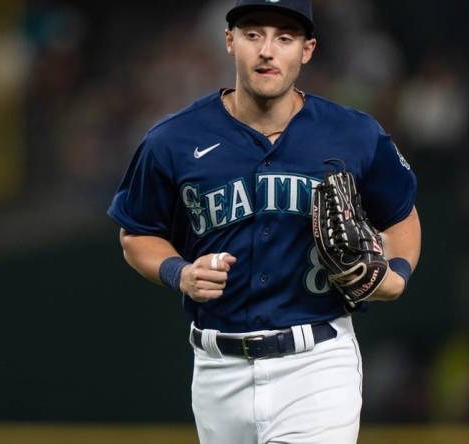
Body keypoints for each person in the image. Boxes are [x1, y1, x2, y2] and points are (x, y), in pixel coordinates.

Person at [107, 1, 421, 442]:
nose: (267, 51)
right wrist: (179, 273)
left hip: (316, 362)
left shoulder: (354, 134)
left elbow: (402, 217)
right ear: (229, 41)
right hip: (217, 369)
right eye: (254, 34)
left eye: (285, 38)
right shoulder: (173, 140)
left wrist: (398, 274)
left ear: (307, 50)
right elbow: (136, 232)